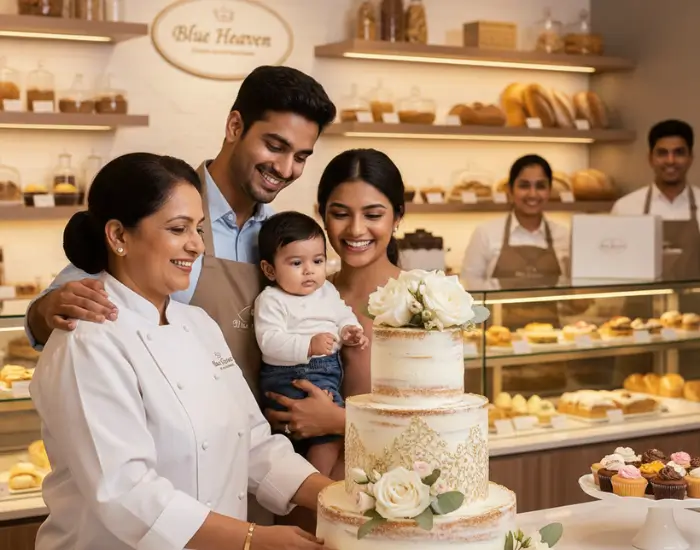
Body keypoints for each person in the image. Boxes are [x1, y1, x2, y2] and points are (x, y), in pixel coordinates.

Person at [29, 153, 330, 550]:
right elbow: (126, 493)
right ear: (119, 236)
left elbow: (254, 444)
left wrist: (338, 497)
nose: (196, 246)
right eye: (178, 228)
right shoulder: (88, 340)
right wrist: (253, 539)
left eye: (199, 229)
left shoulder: (199, 325)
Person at [24, 65, 336, 398]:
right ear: (234, 126)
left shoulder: (281, 237)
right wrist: (48, 309)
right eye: (275, 146)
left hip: (257, 432)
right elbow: (58, 308)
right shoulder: (161, 207)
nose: (286, 169)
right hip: (174, 428)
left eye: (300, 157)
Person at [264, 148, 404, 457]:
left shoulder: (421, 299)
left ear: (398, 217)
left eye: (373, 215)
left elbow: (438, 421)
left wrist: (337, 421)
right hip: (305, 490)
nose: (355, 229)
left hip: (393, 487)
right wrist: (289, 423)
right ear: (322, 215)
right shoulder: (304, 294)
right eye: (340, 214)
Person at [255, 211, 368, 477]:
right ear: (269, 270)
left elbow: (342, 313)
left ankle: (314, 483)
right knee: (325, 436)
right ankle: (315, 486)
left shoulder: (326, 290)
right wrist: (308, 345)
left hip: (326, 369)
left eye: (318, 260)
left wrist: (350, 330)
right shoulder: (271, 299)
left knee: (328, 433)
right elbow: (269, 342)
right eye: (296, 263)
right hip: (291, 374)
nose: (309, 270)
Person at [461, 154, 570, 293]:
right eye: (524, 186)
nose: (532, 194)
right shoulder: (485, 233)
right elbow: (469, 287)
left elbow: (570, 291)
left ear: (549, 191)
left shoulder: (564, 235)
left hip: (551, 315)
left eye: (540, 186)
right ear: (510, 190)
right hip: (497, 315)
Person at [612, 119, 700, 279]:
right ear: (650, 158)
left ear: (690, 158)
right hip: (639, 302)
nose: (670, 160)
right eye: (662, 153)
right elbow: (613, 266)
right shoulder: (626, 207)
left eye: (679, 153)